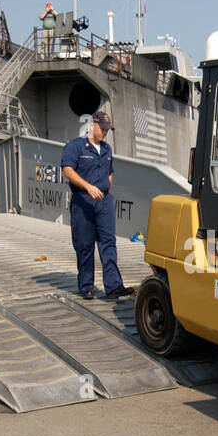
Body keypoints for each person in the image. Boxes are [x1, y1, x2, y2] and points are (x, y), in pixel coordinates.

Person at [60, 110, 135, 300]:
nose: (104, 132)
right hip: (83, 200)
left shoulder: (107, 149)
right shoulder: (75, 146)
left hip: (104, 201)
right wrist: (88, 186)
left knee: (108, 243)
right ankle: (86, 286)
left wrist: (106, 191)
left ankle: (114, 286)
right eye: (102, 128)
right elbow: (67, 170)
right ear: (92, 125)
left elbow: (110, 172)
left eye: (107, 129)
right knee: (84, 244)